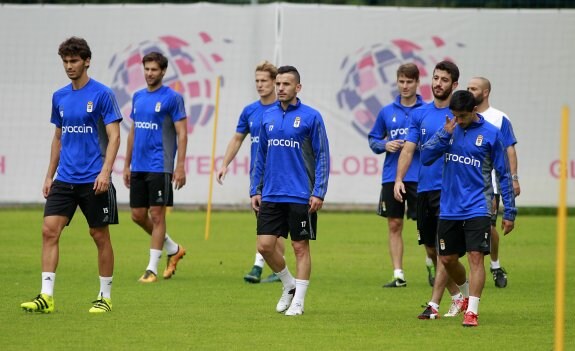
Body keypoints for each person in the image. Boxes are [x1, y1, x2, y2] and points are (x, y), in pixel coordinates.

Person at [20, 37, 122, 313]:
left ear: (87, 61)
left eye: (74, 61)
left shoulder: (102, 94)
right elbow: (57, 138)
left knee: (99, 235)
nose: (69, 66)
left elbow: (114, 138)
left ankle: (105, 297)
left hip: (94, 179)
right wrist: (48, 176)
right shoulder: (60, 96)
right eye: (65, 61)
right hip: (65, 179)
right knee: (48, 231)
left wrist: (105, 172)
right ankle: (46, 296)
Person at [420, 90, 517, 327]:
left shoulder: (491, 134)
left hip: (478, 207)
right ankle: (463, 295)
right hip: (450, 207)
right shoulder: (448, 129)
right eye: (454, 115)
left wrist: (510, 211)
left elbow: (503, 175)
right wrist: (444, 133)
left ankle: (472, 311)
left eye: (462, 116)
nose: (458, 120)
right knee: (448, 259)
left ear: (474, 110)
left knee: (475, 257)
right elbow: (425, 157)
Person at [250, 65, 330, 316]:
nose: (280, 88)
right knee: (264, 246)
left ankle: (299, 302)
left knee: (299, 247)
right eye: (278, 84)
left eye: (286, 84)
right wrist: (255, 189)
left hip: (300, 194)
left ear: (298, 87)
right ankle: (289, 284)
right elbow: (260, 155)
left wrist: (318, 191)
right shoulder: (267, 116)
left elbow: (322, 156)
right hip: (272, 193)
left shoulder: (311, 117)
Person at [394, 60, 466, 319]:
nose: (438, 83)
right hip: (424, 190)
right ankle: (460, 295)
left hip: (450, 192)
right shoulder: (419, 114)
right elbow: (409, 149)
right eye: (435, 78)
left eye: (444, 80)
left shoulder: (463, 117)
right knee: (433, 251)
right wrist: (399, 179)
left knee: (445, 251)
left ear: (454, 84)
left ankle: (434, 304)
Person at [216, 60, 285, 284]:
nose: (259, 84)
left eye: (264, 80)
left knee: (271, 223)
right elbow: (237, 138)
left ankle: (258, 265)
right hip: (257, 175)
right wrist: (224, 163)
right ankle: (277, 266)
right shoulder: (250, 111)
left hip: (279, 174)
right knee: (267, 222)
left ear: (275, 82)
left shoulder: (282, 110)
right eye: (257, 80)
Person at [122, 52, 187, 283]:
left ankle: (151, 268)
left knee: (157, 215)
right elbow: (133, 132)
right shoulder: (138, 97)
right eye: (146, 69)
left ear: (163, 72)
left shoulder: (173, 98)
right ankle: (173, 248)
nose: (150, 73)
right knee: (138, 216)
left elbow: (182, 132)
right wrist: (127, 164)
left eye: (154, 70)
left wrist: (180, 166)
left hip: (160, 165)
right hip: (138, 165)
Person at [368, 63, 428, 288]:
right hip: (392, 177)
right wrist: (386, 144)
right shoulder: (387, 112)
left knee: (426, 226)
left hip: (421, 177)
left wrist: (418, 144)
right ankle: (398, 273)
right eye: (401, 81)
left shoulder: (426, 110)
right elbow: (373, 140)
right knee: (394, 224)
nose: (404, 86)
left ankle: (431, 260)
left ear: (417, 83)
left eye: (409, 82)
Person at [467, 77, 520, 288]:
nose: (469, 91)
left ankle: (495, 265)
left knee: (488, 226)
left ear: (486, 92)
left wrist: (514, 178)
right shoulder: (462, 115)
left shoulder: (499, 118)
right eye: (468, 88)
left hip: (490, 184)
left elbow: (509, 149)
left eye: (474, 88)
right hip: (465, 183)